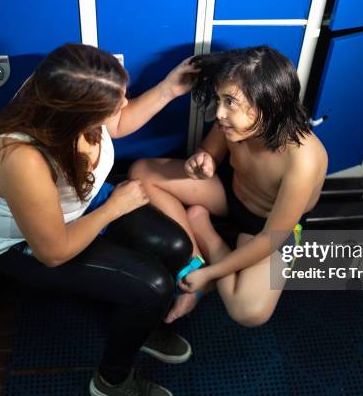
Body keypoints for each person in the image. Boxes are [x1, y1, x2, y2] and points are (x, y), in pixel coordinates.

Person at [0, 43, 200, 396]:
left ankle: (140, 326)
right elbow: (53, 252)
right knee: (153, 286)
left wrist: (170, 87)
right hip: (27, 244)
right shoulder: (20, 158)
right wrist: (115, 207)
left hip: (86, 204)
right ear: (76, 118)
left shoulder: (61, 89)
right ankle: (111, 382)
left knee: (176, 246)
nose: (124, 104)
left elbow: (120, 121)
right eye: (115, 101)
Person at [130, 45, 328, 326]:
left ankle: (203, 231)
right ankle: (194, 259)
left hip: (262, 227)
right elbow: (208, 151)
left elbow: (268, 239)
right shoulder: (235, 123)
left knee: (248, 312)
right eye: (219, 100)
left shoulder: (304, 160)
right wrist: (204, 160)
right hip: (229, 193)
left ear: (267, 102)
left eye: (230, 102)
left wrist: (211, 274)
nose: (219, 113)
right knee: (140, 173)